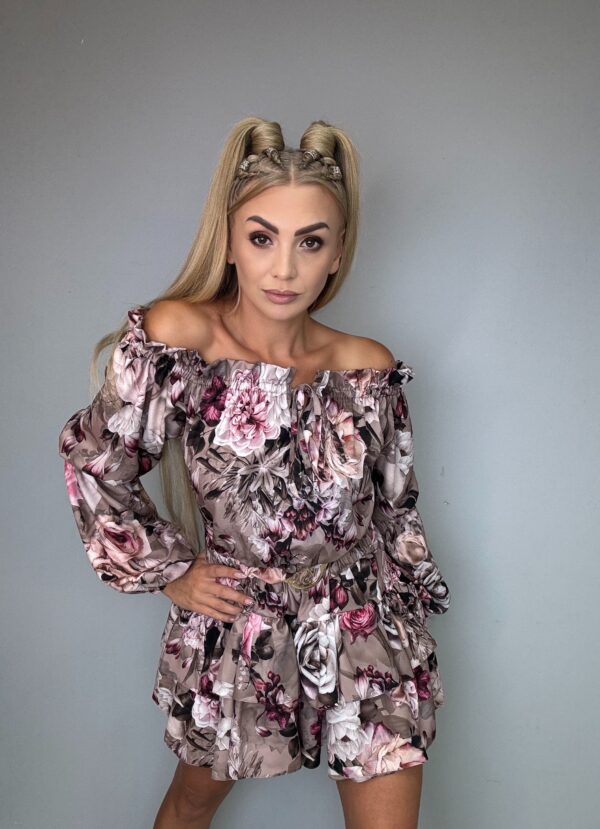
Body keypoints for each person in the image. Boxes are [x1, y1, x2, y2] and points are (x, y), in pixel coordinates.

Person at [57, 116, 451, 829]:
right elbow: (96, 460)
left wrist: (407, 627)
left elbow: (396, 510)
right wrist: (171, 570)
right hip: (242, 628)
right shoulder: (180, 338)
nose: (285, 269)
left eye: (311, 242)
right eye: (263, 238)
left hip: (362, 622)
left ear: (338, 252)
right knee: (190, 807)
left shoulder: (367, 367)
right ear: (231, 241)